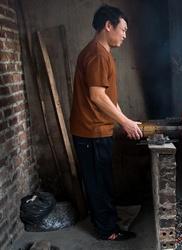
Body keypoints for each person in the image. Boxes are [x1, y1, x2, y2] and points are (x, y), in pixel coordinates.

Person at [70, 4, 143, 240]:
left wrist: (126, 121)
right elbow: (97, 96)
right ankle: (107, 231)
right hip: (90, 131)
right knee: (98, 183)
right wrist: (124, 122)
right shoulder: (97, 54)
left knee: (103, 179)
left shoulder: (102, 53)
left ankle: (108, 224)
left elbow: (109, 97)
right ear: (108, 26)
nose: (124, 35)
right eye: (122, 29)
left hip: (97, 130)